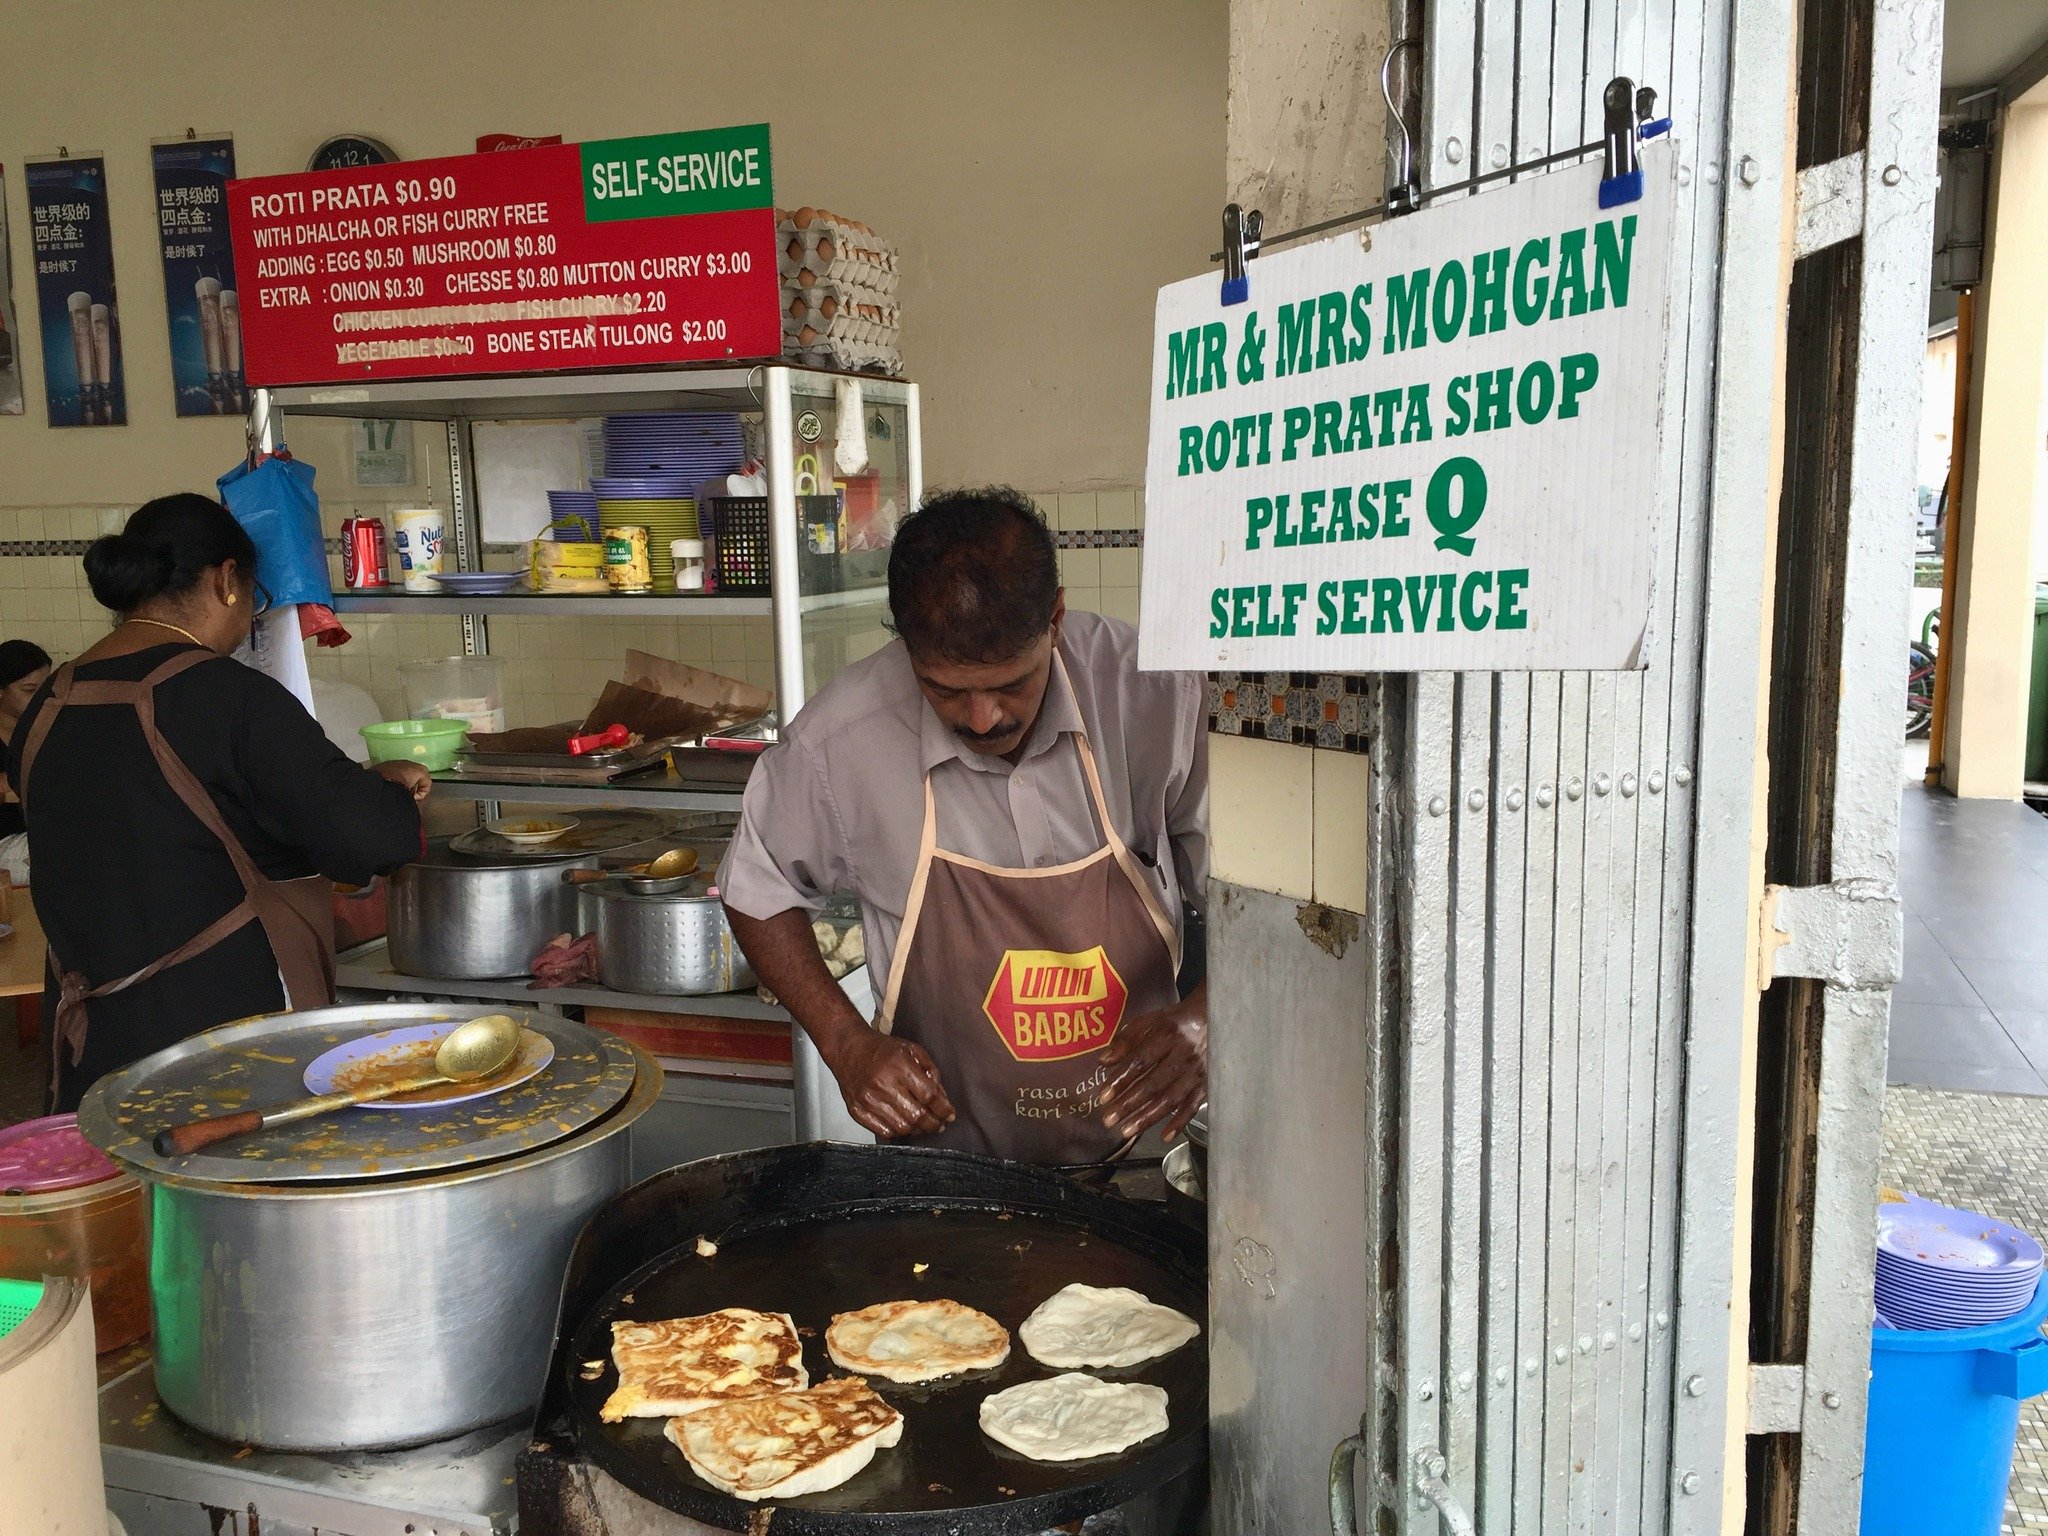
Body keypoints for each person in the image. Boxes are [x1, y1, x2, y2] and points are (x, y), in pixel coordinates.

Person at [721, 487, 1208, 1163]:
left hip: (1150, 1154)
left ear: (1056, 619)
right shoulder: (840, 741)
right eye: (945, 690)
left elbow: (1267, 894)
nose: (984, 720)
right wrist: (845, 1042)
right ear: (904, 646)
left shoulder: (1154, 697)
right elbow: (755, 885)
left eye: (1012, 683)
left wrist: (1205, 1020)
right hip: (951, 1176)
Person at [6, 494, 431, 1112]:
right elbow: (368, 837)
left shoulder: (49, 700)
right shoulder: (228, 696)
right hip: (225, 1043)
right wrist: (388, 790)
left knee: (128, 1192)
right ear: (226, 580)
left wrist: (356, 778)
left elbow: (150, 817)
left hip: (89, 1043)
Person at [0, 640, 53, 883]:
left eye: (45, 689)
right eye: (30, 690)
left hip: (38, 835)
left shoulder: (41, 732)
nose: (41, 699)